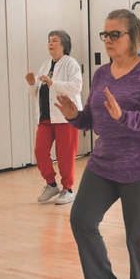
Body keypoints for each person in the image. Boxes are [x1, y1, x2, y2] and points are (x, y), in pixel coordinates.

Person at [55, 9, 140, 279]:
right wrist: (72, 115)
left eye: (114, 34)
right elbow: (92, 121)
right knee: (81, 219)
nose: (107, 40)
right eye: (104, 35)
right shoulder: (102, 74)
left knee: (137, 234)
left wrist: (125, 117)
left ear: (134, 37)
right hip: (106, 162)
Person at [25, 30, 83, 206]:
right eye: (49, 40)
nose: (50, 43)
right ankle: (51, 184)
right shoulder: (45, 65)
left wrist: (53, 83)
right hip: (46, 117)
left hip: (66, 117)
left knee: (65, 155)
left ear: (64, 44)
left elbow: (76, 87)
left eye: (54, 40)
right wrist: (31, 83)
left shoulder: (71, 64)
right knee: (40, 151)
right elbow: (36, 93)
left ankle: (68, 189)